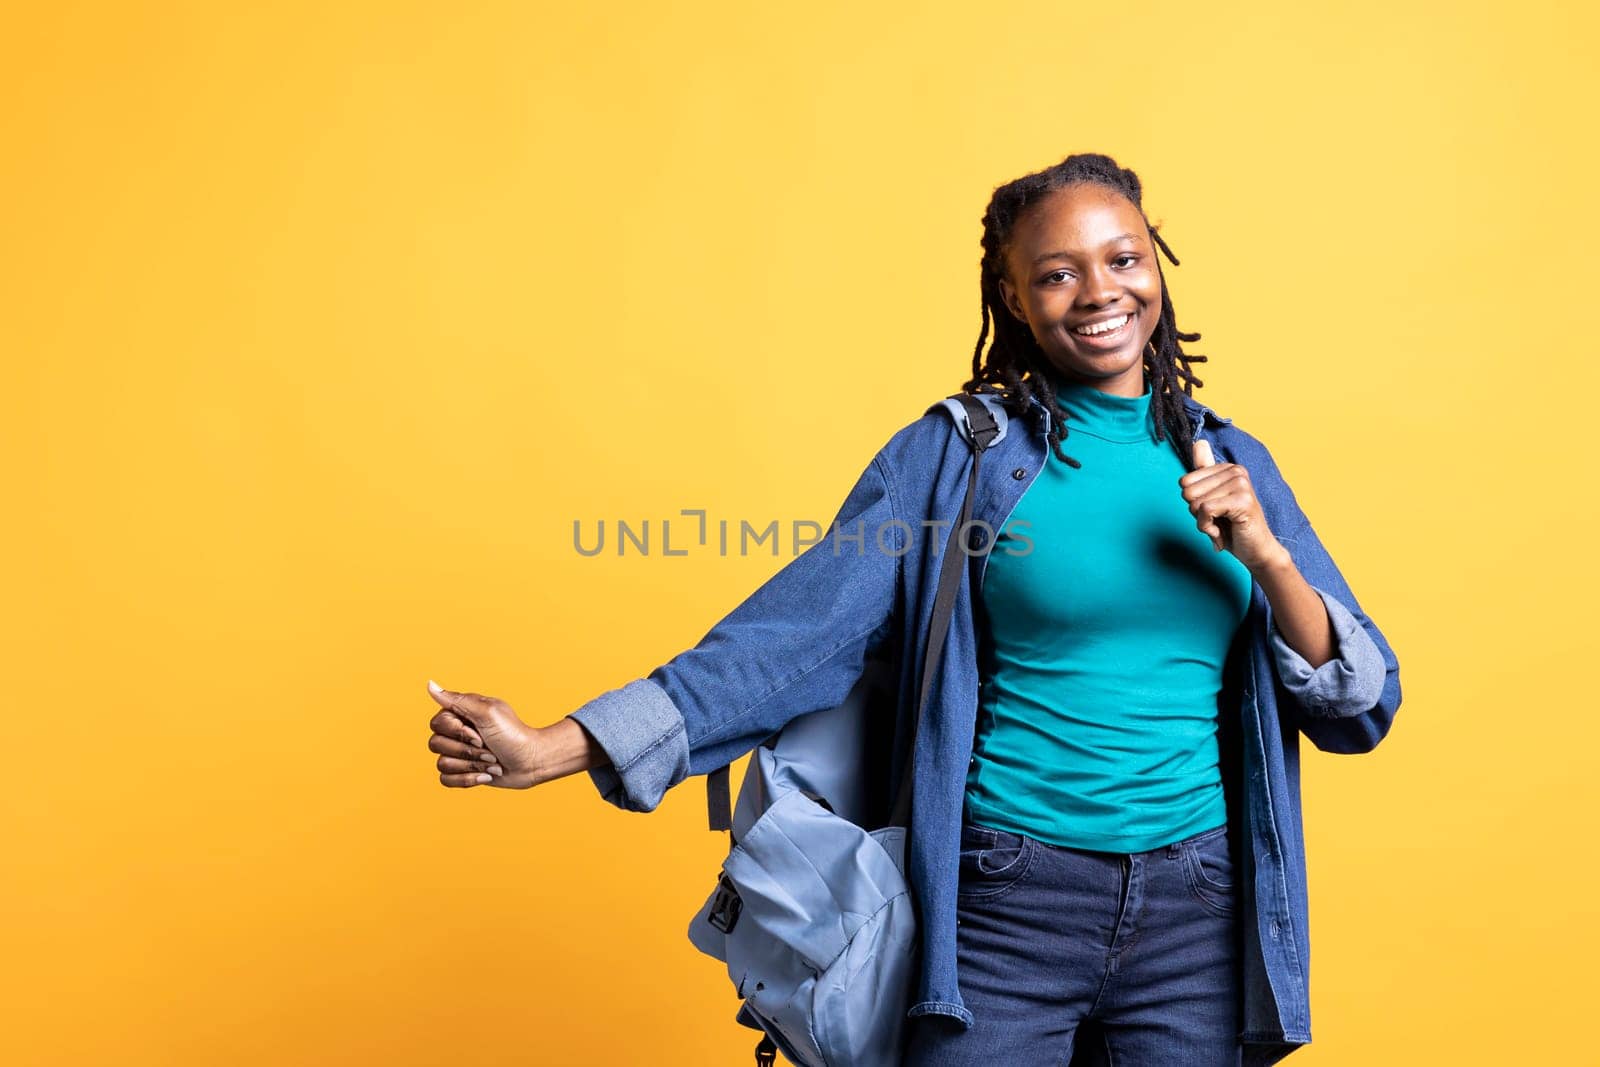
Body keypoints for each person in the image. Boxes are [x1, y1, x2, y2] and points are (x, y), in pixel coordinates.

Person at [425, 152, 1402, 1066]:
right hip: (1008, 900)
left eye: (1122, 258)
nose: (1100, 291)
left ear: (1158, 268)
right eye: (1057, 273)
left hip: (1201, 906)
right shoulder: (955, 461)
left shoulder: (1228, 461)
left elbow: (1357, 708)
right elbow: (787, 641)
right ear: (1013, 300)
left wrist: (1267, 557)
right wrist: (561, 743)